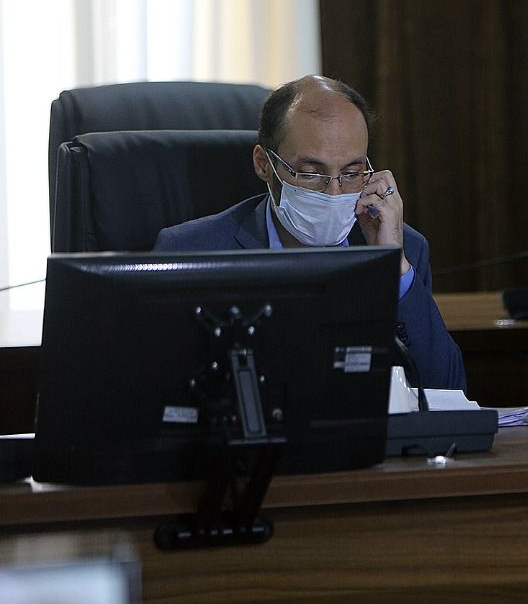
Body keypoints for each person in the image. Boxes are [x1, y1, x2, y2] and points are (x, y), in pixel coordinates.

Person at [154, 74, 466, 391]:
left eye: (351, 173)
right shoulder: (191, 251)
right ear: (264, 164)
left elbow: (446, 387)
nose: (333, 193)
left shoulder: (404, 248)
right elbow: (157, 388)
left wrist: (392, 266)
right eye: (310, 173)